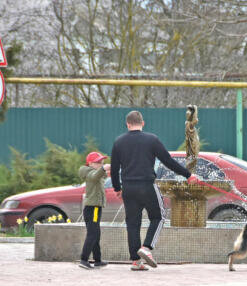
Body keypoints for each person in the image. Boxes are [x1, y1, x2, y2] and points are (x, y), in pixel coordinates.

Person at [110, 110, 197, 271]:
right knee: (159, 217)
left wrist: (117, 188)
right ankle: (147, 247)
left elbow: (114, 169)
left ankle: (136, 262)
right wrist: (188, 175)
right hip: (147, 185)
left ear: (127, 124)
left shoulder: (119, 142)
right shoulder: (151, 140)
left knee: (132, 223)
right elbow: (168, 161)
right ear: (143, 123)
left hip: (128, 188)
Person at [77, 151, 110, 269]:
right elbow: (95, 176)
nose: (101, 163)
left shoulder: (95, 172)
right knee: (93, 233)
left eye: (102, 162)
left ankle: (97, 260)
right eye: (98, 162)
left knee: (96, 233)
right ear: (90, 163)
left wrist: (105, 170)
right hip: (93, 208)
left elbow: (100, 176)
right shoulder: (90, 173)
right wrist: (103, 169)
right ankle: (84, 259)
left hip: (95, 207)